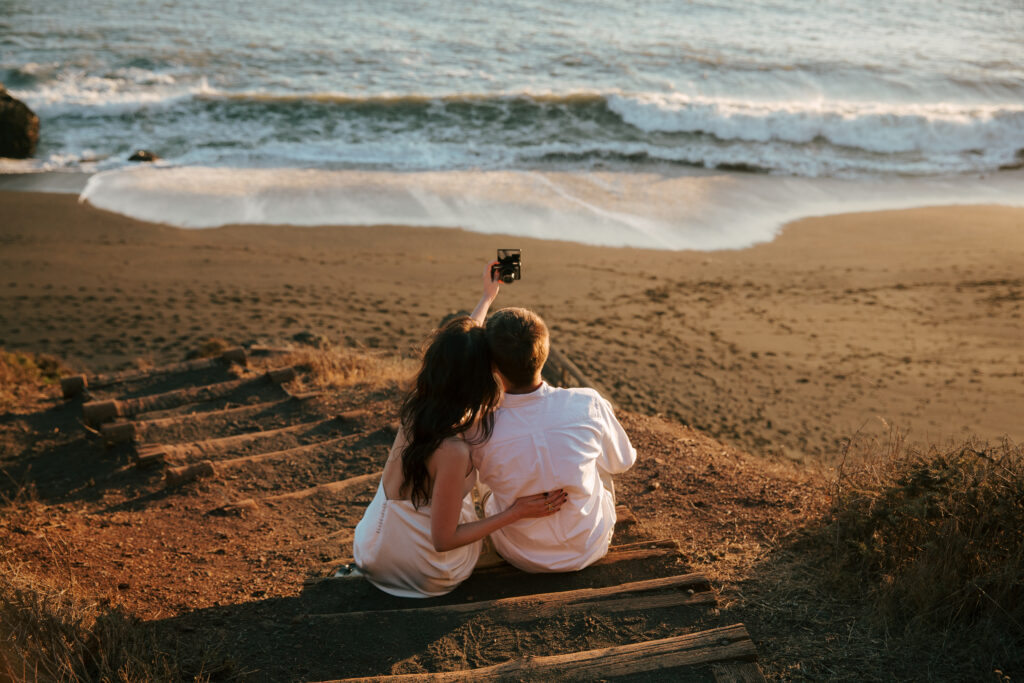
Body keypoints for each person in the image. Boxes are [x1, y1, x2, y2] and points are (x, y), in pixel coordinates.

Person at [352, 314, 567, 598]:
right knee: (486, 481)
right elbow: (443, 540)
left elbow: (457, 351)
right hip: (421, 571)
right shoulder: (453, 450)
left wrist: (487, 298)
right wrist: (516, 512)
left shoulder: (420, 405)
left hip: (370, 549)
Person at [470, 265, 638, 573]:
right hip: (591, 546)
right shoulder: (587, 403)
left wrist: (486, 297)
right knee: (600, 462)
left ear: (492, 366)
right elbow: (622, 463)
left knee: (483, 483)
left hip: (520, 554)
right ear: (543, 354)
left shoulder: (481, 427)